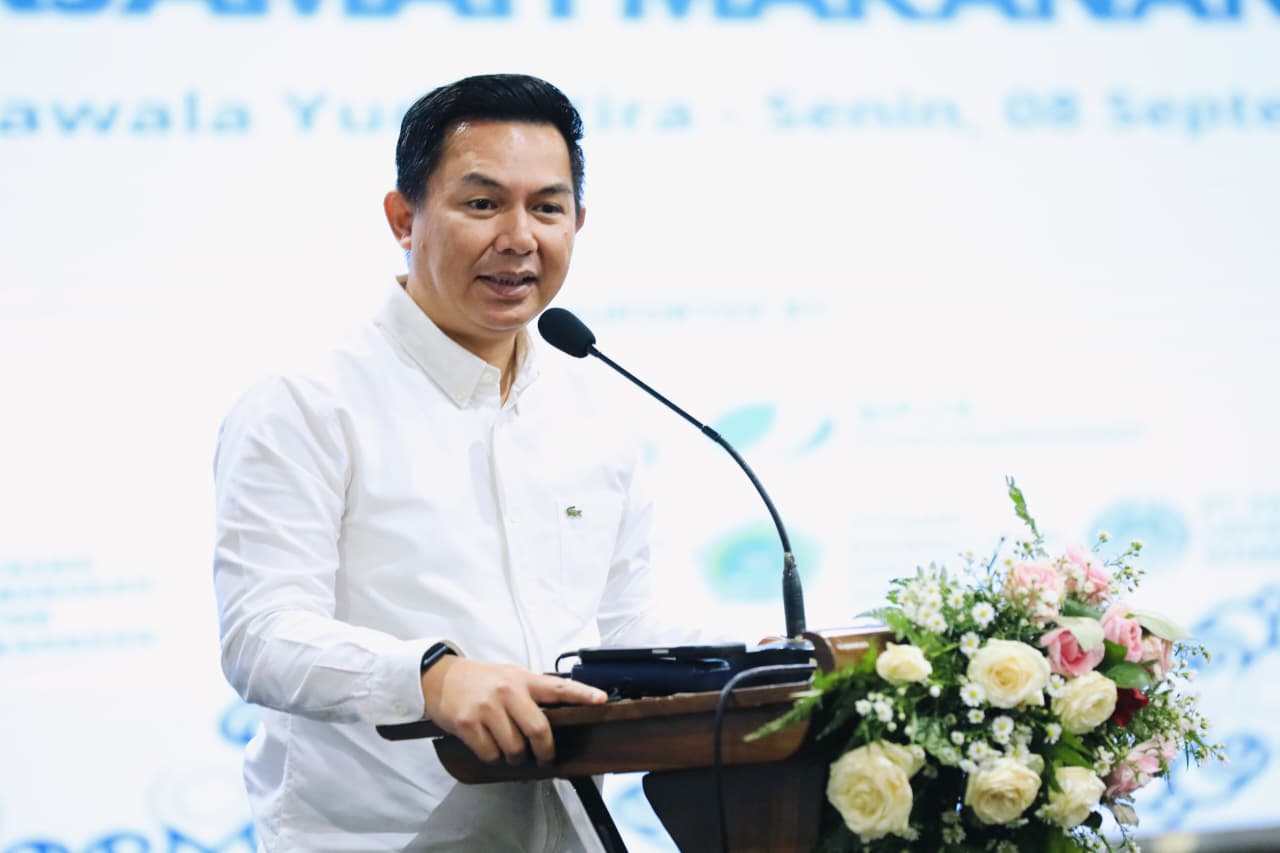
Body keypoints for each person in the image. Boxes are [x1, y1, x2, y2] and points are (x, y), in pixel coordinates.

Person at [213, 74, 697, 852]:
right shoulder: (307, 402)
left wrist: (771, 666)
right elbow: (261, 635)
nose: (519, 237)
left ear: (578, 222)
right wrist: (430, 676)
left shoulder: (594, 407)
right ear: (403, 218)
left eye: (547, 208)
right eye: (482, 203)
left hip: (567, 832)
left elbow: (625, 623)